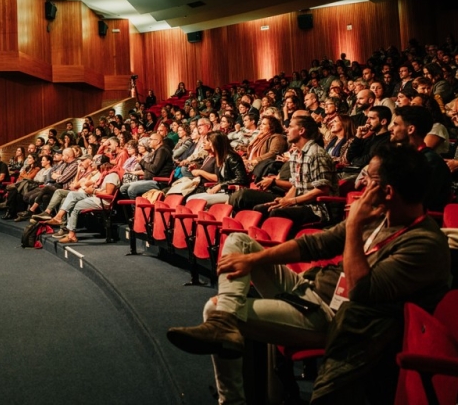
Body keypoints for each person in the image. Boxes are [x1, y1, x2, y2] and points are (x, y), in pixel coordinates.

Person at [167, 143, 450, 405]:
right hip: (309, 288)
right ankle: (225, 323)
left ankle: (232, 396)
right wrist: (254, 259)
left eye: (369, 179)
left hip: (332, 317)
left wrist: (353, 226)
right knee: (238, 243)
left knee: (213, 307)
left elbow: (361, 291)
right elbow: (315, 244)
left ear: (388, 191)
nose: (360, 183)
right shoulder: (382, 217)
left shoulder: (423, 244)